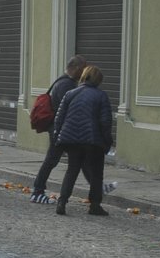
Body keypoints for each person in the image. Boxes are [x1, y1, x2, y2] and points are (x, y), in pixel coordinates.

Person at [50, 65, 115, 217]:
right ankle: (95, 205)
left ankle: (62, 202)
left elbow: (59, 118)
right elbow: (105, 122)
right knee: (96, 173)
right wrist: (107, 141)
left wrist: (58, 136)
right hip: (93, 141)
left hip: (72, 139)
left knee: (72, 171)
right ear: (98, 80)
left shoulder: (70, 93)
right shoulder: (101, 96)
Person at [31, 55, 87, 203]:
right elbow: (68, 110)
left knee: (77, 160)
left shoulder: (63, 82)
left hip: (60, 129)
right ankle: (37, 191)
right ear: (75, 68)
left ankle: (97, 189)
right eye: (83, 69)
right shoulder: (66, 85)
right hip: (61, 129)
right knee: (54, 160)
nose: (84, 73)